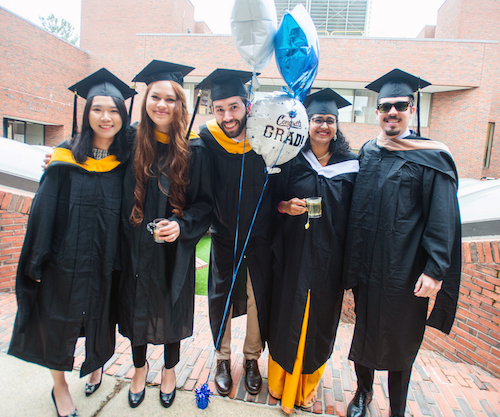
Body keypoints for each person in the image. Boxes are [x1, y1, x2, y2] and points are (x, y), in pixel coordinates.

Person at [8, 68, 135, 417]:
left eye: (113, 111)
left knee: (101, 317)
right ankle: (60, 387)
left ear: (124, 116)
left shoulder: (128, 160)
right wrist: (36, 258)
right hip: (65, 259)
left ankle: (96, 364)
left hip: (108, 259)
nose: (105, 117)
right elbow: (44, 209)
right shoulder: (64, 155)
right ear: (86, 112)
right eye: (97, 109)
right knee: (57, 321)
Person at [343, 69, 461, 417]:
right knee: (363, 331)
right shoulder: (369, 150)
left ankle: (397, 408)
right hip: (367, 265)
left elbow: (442, 217)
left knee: (401, 339)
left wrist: (436, 269)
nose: (391, 112)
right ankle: (363, 394)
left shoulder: (431, 155)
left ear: (412, 108)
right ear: (377, 112)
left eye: (399, 105)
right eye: (384, 107)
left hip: (405, 270)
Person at [117, 60, 213, 409]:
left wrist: (183, 225)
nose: (162, 105)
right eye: (155, 97)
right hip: (135, 245)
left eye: (170, 99)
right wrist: (62, 153)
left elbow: (204, 204)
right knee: (136, 306)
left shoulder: (194, 150)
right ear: (145, 101)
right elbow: (91, 143)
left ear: (180, 104)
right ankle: (140, 369)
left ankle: (170, 370)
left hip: (175, 248)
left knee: (171, 306)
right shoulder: (129, 141)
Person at [267, 89, 359, 413]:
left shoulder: (351, 166)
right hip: (293, 253)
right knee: (286, 314)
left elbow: (356, 215)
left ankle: (306, 387)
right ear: (307, 122)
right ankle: (279, 384)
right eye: (318, 119)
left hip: (329, 259)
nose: (323, 126)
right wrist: (284, 205)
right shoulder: (292, 159)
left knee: (319, 321)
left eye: (329, 120)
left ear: (337, 125)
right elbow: (272, 200)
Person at [196, 69, 277, 396]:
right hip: (224, 235)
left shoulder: (264, 138)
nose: (227, 116)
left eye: (234, 107)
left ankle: (252, 358)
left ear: (247, 105)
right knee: (221, 298)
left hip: (260, 235)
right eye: (220, 109)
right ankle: (222, 357)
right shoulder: (207, 140)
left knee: (258, 297)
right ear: (212, 110)